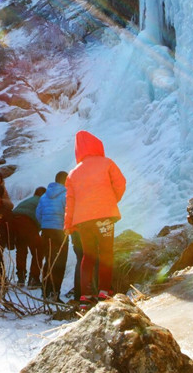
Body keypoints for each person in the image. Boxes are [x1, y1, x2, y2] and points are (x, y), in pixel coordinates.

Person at [64, 130, 126, 310]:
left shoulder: (73, 173)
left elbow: (70, 202)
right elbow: (120, 183)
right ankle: (104, 291)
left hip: (83, 221)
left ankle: (85, 296)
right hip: (104, 217)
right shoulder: (106, 163)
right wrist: (111, 200)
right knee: (106, 252)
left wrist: (68, 224)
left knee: (88, 256)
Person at [35, 171, 68, 302]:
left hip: (46, 231)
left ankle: (45, 291)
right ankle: (55, 293)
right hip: (59, 232)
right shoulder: (66, 195)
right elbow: (68, 212)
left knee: (48, 261)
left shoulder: (44, 196)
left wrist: (44, 224)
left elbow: (38, 213)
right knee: (59, 263)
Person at [10, 187, 46, 288]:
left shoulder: (28, 200)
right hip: (28, 223)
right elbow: (42, 218)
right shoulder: (42, 201)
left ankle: (21, 278)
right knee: (38, 250)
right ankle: (34, 279)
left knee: (21, 250)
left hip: (14, 221)